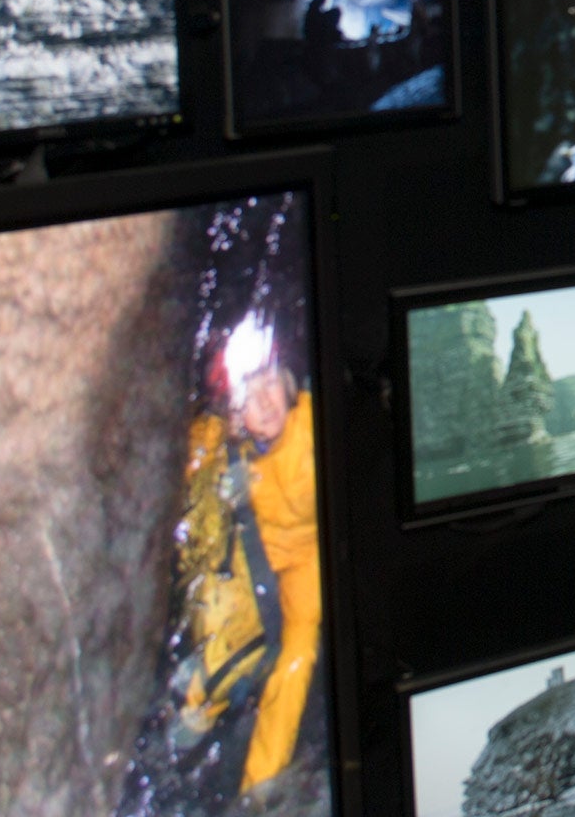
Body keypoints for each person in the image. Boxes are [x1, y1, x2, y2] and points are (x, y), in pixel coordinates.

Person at [167, 314, 323, 804]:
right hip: (251, 559)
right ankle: (195, 711)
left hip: (306, 557)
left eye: (271, 384)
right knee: (219, 637)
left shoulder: (313, 427)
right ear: (234, 412)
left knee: (297, 656)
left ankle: (259, 788)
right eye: (250, 395)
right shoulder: (214, 443)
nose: (266, 402)